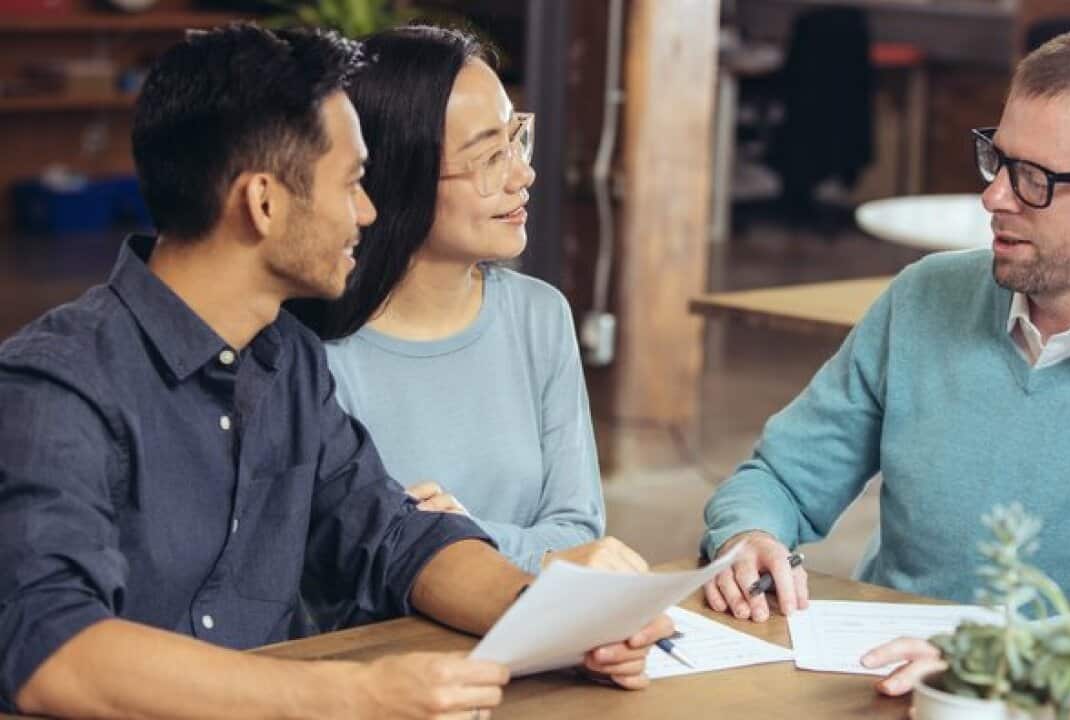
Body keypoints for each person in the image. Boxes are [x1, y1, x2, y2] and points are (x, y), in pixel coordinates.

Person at [0, 25, 669, 719]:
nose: (370, 210)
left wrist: (551, 622)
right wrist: (353, 696)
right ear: (263, 203)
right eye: (352, 182)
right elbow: (53, 649)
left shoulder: (284, 361)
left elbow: (395, 535)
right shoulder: (57, 384)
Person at [699, 27, 1070, 695]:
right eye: (997, 159)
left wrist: (1004, 657)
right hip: (883, 688)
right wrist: (748, 536)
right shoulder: (923, 296)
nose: (995, 196)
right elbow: (777, 478)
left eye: (1035, 179)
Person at [289, 26, 610, 582]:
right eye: (489, 157)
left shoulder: (540, 317)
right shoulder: (310, 354)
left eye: (516, 140)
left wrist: (456, 537)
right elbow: (328, 568)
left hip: (531, 635)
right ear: (394, 175)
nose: (522, 174)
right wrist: (474, 551)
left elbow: (579, 533)